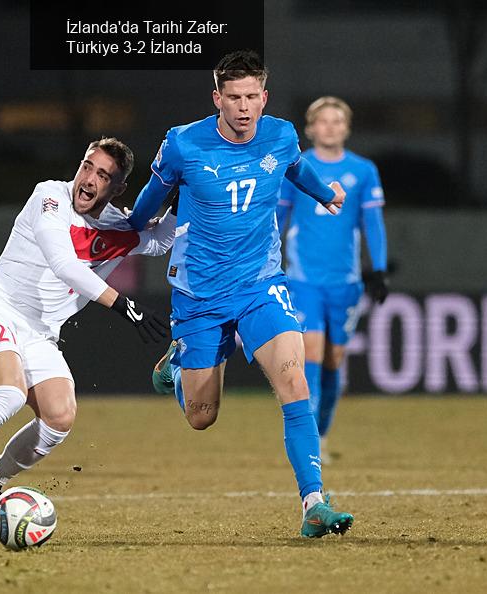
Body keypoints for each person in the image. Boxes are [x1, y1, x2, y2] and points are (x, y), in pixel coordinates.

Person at [130, 50, 353, 538]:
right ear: (218, 99)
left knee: (294, 381)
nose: (244, 106)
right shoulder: (184, 144)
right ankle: (176, 363)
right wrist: (129, 227)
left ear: (264, 97)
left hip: (261, 284)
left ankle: (314, 502)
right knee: (201, 418)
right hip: (199, 295)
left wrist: (326, 194)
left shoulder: (282, 133)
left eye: (252, 96)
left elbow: (295, 170)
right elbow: (148, 200)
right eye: (234, 97)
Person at [0, 137, 174, 529]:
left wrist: (184, 190)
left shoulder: (116, 226)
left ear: (117, 188)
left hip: (39, 334)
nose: (88, 179)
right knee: (10, 394)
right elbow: (64, 263)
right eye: (87, 165)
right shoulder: (49, 197)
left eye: (103, 175)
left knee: (60, 416)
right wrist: (124, 305)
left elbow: (159, 240)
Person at [276, 96, 388, 464]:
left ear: (346, 127)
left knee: (332, 363)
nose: (329, 127)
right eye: (322, 121)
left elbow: (371, 223)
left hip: (346, 283)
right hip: (304, 280)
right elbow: (278, 218)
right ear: (310, 128)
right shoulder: (297, 167)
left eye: (336, 121)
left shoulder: (363, 170)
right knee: (311, 355)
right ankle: (311, 445)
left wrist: (379, 269)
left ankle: (321, 434)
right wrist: (268, 260)